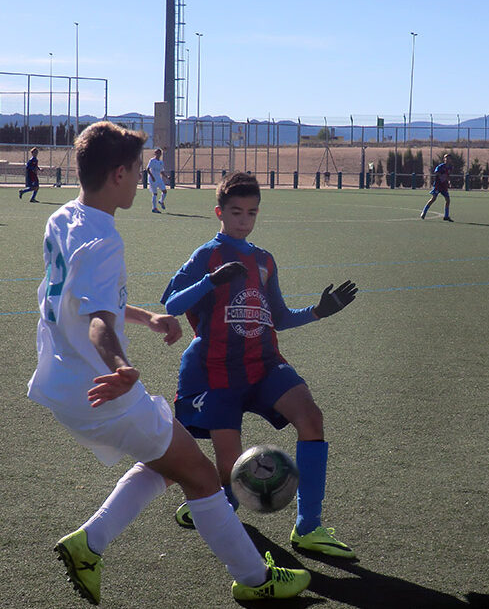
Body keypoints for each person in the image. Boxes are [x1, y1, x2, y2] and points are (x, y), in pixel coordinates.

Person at [27, 122, 310, 604]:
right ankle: (257, 581)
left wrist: (148, 318)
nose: (141, 179)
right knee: (200, 478)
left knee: (165, 461)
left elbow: (80, 300)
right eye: (138, 170)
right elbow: (97, 323)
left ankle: (88, 543)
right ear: (118, 174)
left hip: (61, 381)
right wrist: (120, 364)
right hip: (103, 389)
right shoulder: (104, 240)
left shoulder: (64, 218)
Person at [160, 171, 358, 559]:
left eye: (251, 213)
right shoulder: (207, 256)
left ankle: (308, 526)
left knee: (311, 418)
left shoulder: (264, 259)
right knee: (230, 471)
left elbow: (279, 317)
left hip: (265, 362)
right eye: (236, 212)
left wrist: (318, 312)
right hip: (218, 368)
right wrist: (210, 282)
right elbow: (171, 304)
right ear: (219, 212)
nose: (243, 221)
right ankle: (217, 504)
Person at [421, 153, 453, 221]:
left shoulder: (450, 167)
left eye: (449, 159)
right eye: (446, 158)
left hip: (444, 186)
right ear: (444, 159)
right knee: (433, 198)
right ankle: (424, 212)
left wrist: (449, 181)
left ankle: (446, 216)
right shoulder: (441, 166)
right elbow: (436, 172)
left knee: (448, 200)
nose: (447, 160)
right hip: (438, 185)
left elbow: (448, 175)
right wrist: (441, 176)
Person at [146, 148, 169, 213]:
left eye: (159, 153)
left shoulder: (161, 162)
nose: (158, 154)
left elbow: (162, 171)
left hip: (159, 179)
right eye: (156, 153)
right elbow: (147, 169)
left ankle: (161, 201)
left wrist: (167, 177)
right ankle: (154, 208)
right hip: (152, 179)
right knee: (155, 193)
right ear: (155, 154)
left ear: (160, 154)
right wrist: (152, 177)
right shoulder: (152, 160)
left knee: (165, 191)